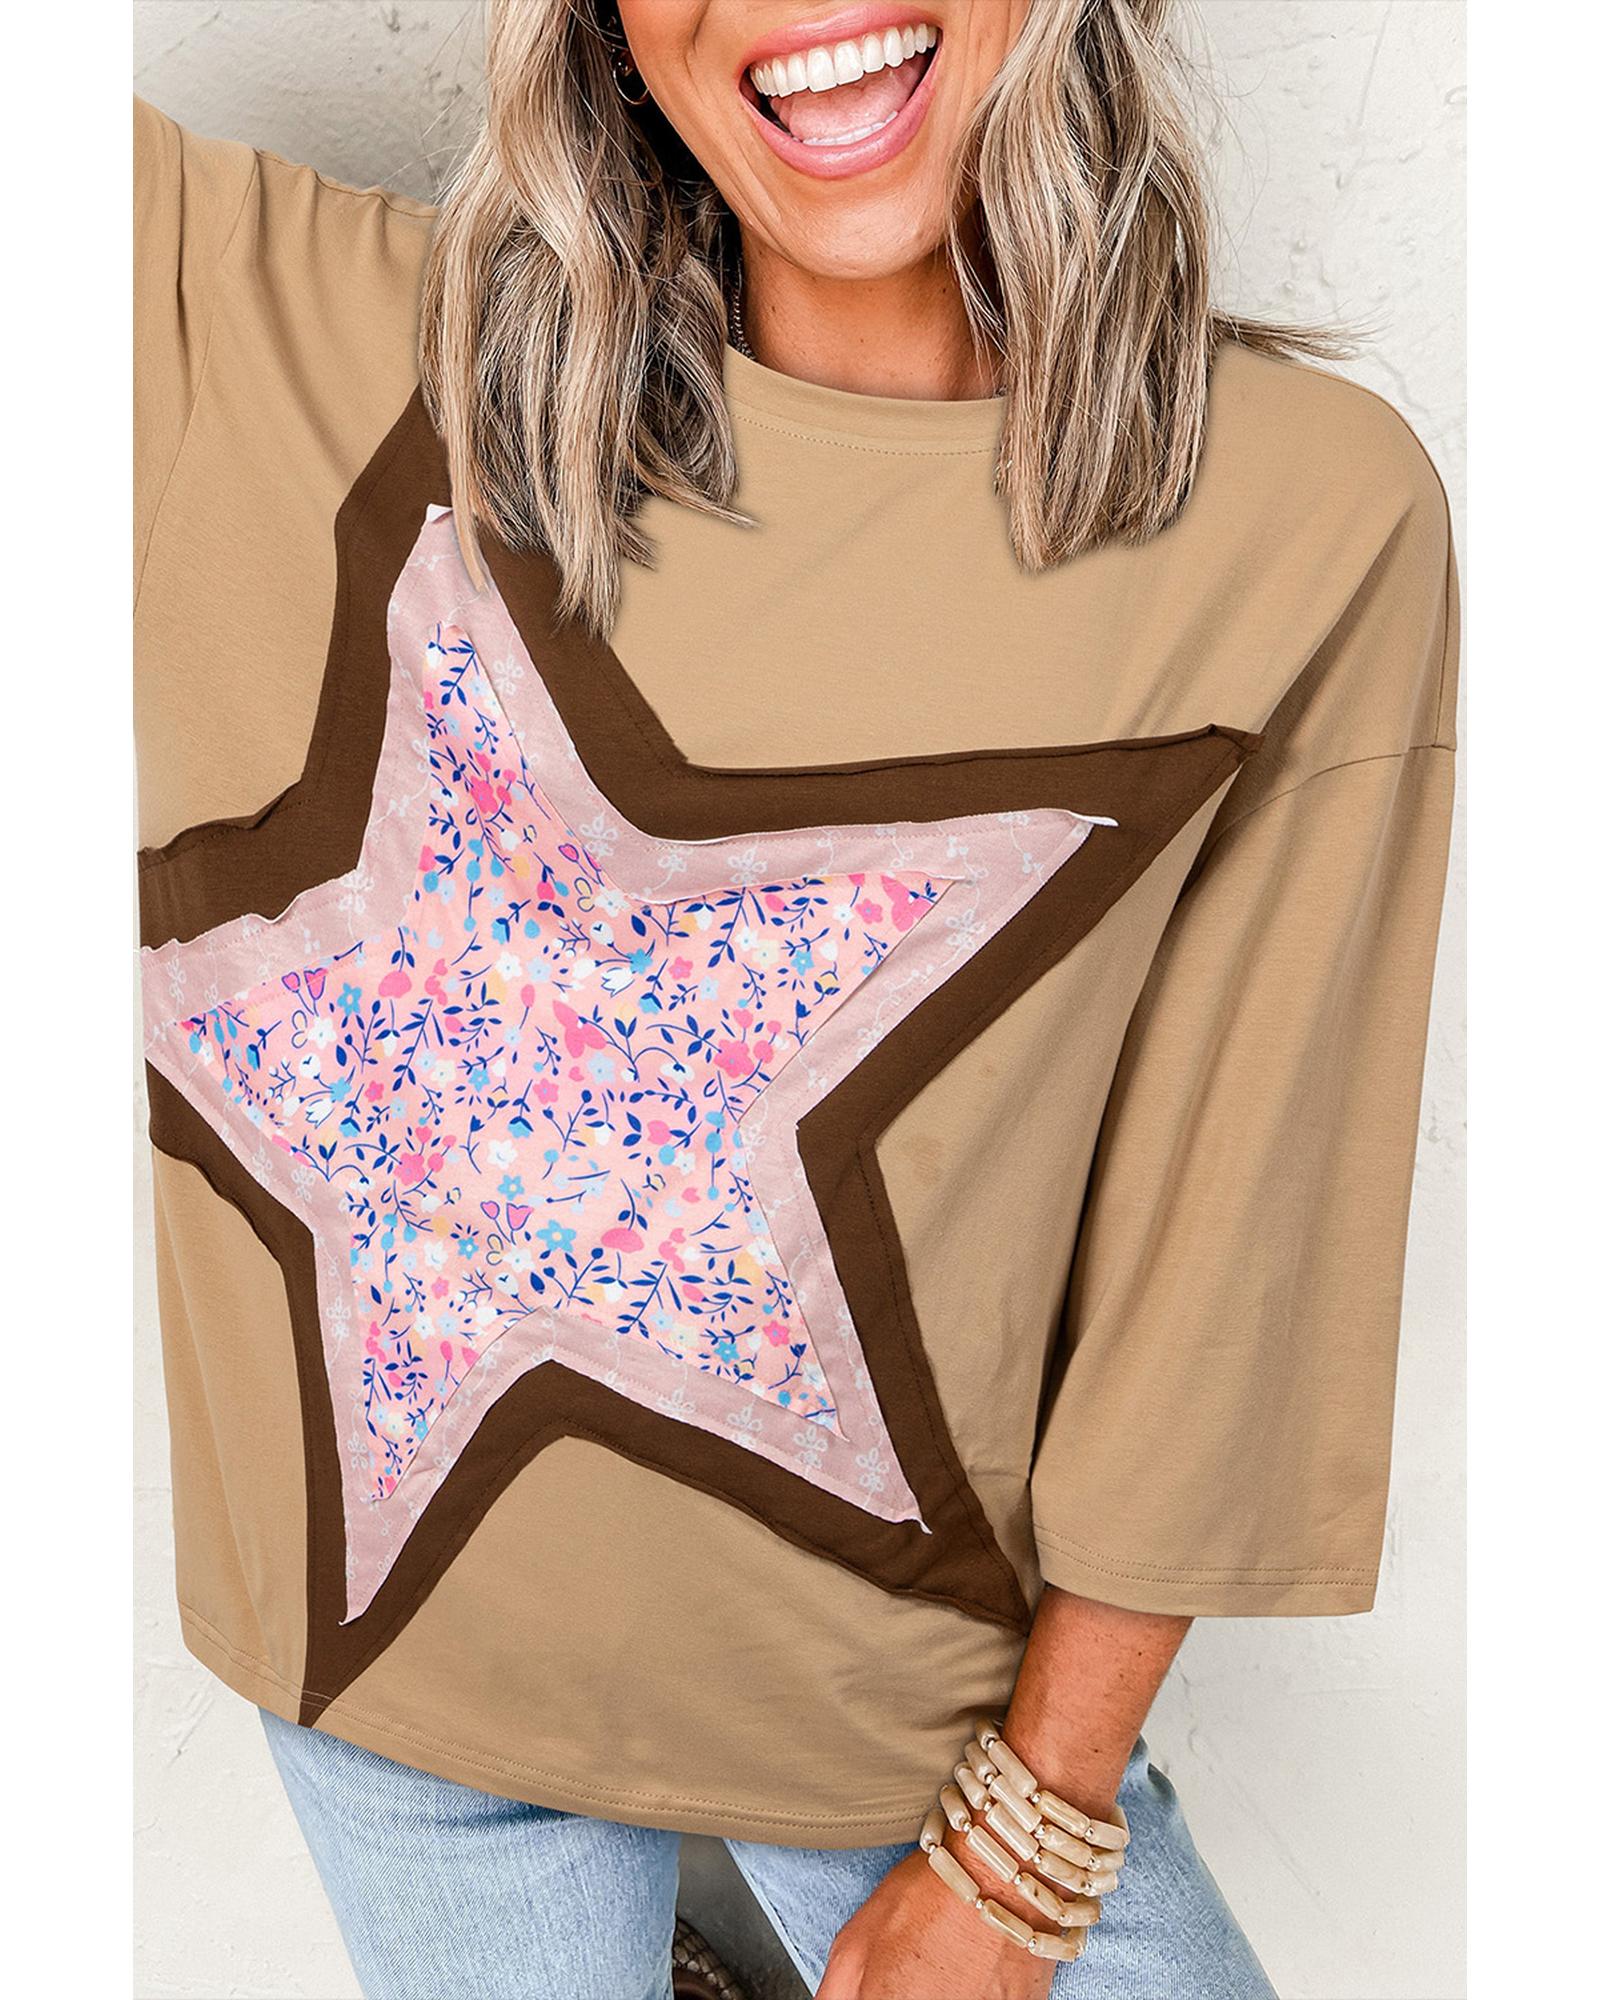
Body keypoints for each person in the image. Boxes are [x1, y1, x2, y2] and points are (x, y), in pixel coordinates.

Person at [133, 2, 1457, 1995]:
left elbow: (1231, 1253)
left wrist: (1025, 1841)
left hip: (909, 1738)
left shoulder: (1304, 519)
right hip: (393, 1697)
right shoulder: (285, 333)